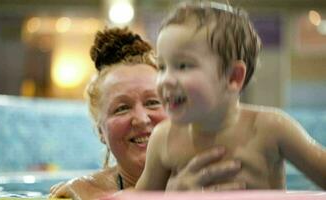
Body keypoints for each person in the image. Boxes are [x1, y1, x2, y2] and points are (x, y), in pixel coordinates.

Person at [135, 1, 326, 191]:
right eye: (161, 67)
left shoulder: (271, 129)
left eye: (183, 66)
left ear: (234, 77)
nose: (165, 79)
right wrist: (171, 194)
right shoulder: (163, 139)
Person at [49, 27, 245, 199]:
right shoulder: (80, 193)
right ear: (101, 130)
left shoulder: (220, 177)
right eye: (122, 108)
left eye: (153, 103)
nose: (141, 119)